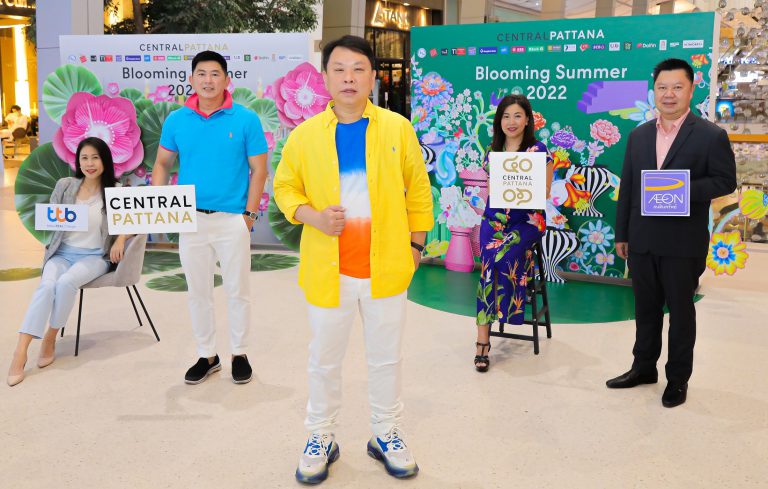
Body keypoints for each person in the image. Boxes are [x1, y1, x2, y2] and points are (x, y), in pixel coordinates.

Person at [273, 35, 433, 484]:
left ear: (373, 77)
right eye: (339, 69)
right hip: (329, 270)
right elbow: (284, 188)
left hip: (387, 268)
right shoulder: (305, 136)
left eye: (358, 69)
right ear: (325, 77)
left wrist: (416, 247)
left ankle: (386, 432)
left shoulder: (397, 128)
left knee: (386, 358)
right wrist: (314, 218)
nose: (349, 78)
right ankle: (320, 435)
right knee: (324, 359)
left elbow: (419, 190)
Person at [608, 58, 737, 408]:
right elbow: (628, 187)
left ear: (691, 90)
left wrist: (680, 189)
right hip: (643, 239)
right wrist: (622, 234)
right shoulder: (638, 136)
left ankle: (678, 379)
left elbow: (726, 181)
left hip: (683, 242)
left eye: (677, 87)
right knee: (645, 309)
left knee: (680, 313)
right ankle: (643, 368)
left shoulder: (710, 135)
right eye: (662, 87)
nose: (669, 94)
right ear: (654, 91)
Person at [152, 51, 268, 385]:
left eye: (215, 74)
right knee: (198, 291)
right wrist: (159, 204)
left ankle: (239, 353)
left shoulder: (245, 119)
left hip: (233, 220)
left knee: (237, 290)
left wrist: (248, 216)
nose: (208, 80)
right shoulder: (177, 120)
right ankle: (207, 355)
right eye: (201, 74)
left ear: (227, 80)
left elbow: (259, 170)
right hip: (190, 220)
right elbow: (162, 163)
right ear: (191, 80)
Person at [7, 137, 128, 386]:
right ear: (78, 162)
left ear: (105, 160)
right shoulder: (65, 185)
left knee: (66, 283)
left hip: (94, 256)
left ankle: (50, 337)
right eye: (84, 158)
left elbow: (131, 220)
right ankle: (20, 351)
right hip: (62, 252)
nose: (90, 163)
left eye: (95, 157)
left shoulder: (115, 191)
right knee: (47, 286)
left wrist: (120, 240)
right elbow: (52, 218)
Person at [474, 94, 554, 372]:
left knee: (502, 256)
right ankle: (482, 341)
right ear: (499, 121)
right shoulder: (492, 151)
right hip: (495, 219)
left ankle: (508, 308)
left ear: (528, 120)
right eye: (506, 116)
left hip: (527, 221)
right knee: (488, 263)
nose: (511, 121)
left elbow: (545, 193)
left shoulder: (539, 151)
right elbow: (492, 192)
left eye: (518, 115)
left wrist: (527, 185)